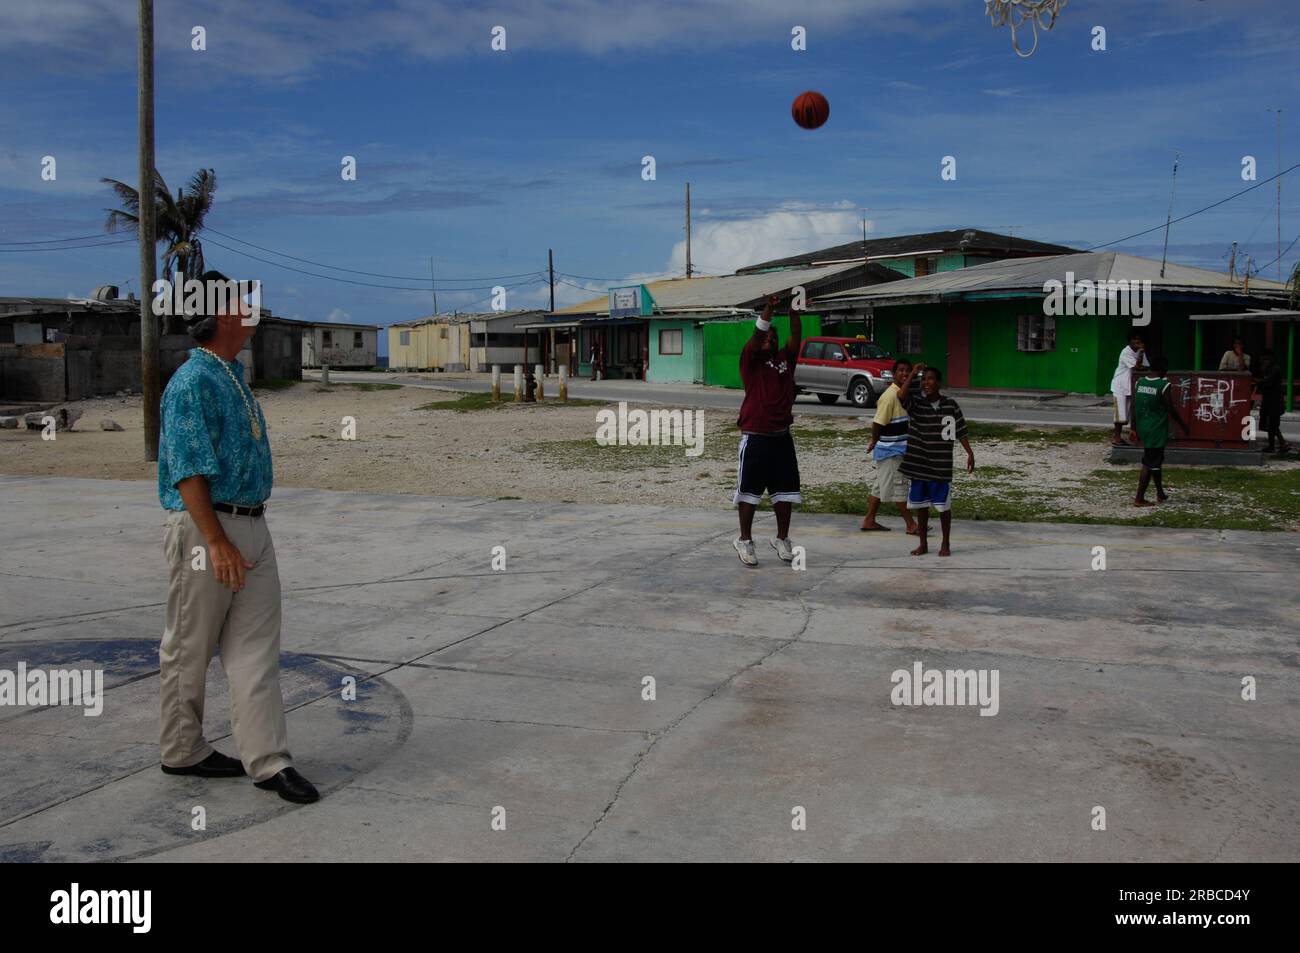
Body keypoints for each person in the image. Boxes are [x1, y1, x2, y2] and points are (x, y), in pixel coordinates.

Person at [157, 272, 319, 804]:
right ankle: (183, 750)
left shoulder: (231, 375)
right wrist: (217, 540)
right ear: (224, 315)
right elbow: (186, 470)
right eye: (244, 303)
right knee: (190, 646)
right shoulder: (191, 381)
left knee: (255, 651)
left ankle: (269, 762)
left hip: (252, 523)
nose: (253, 308)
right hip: (210, 529)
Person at [732, 293, 802, 566]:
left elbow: (796, 333)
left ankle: (782, 539)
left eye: (774, 338)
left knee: (785, 493)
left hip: (782, 437)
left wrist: (794, 311)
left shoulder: (785, 359)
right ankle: (745, 541)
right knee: (749, 493)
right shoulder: (750, 361)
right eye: (766, 338)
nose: (770, 341)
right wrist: (769, 309)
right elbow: (758, 332)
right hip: (756, 437)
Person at [898, 365, 974, 557]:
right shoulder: (916, 404)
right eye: (924, 380)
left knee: (943, 508)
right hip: (919, 465)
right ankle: (922, 543)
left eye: (930, 379)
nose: (926, 383)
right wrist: (913, 374)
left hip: (940, 466)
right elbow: (901, 395)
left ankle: (945, 543)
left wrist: (969, 452)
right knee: (921, 507)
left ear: (939, 383)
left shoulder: (950, 405)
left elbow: (961, 431)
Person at [861, 358, 918, 535]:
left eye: (908, 371)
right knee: (898, 487)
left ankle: (869, 520)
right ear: (894, 374)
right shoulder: (889, 396)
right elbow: (878, 423)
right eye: (901, 371)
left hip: (893, 449)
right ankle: (911, 524)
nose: (905, 374)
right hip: (891, 451)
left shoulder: (903, 394)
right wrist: (874, 440)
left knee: (878, 487)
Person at [1131, 355, 1188, 507]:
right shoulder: (1163, 385)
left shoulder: (1140, 382)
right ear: (1163, 369)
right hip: (1156, 429)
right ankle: (1139, 498)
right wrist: (1183, 425)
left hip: (1144, 427)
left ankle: (1160, 493)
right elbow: (1171, 408)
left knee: (1155, 462)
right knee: (1149, 463)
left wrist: (1133, 428)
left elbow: (1134, 406)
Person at [1110, 331, 1149, 446]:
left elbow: (1145, 367)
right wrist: (1141, 355)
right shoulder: (1126, 352)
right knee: (1120, 415)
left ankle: (1132, 436)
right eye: (1135, 339)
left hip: (1131, 386)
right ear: (1130, 341)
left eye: (1140, 340)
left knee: (1129, 414)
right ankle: (1116, 438)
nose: (1138, 342)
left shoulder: (1140, 352)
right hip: (1120, 386)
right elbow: (1137, 367)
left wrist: (1141, 355)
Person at [1253, 348, 1292, 455]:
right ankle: (1273, 446)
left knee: (1273, 425)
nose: (1264, 361)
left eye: (1266, 359)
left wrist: (1258, 381)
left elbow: (1267, 382)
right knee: (1270, 425)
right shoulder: (1267, 368)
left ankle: (1282, 443)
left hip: (1275, 401)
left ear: (1270, 359)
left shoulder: (1275, 369)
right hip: (1268, 400)